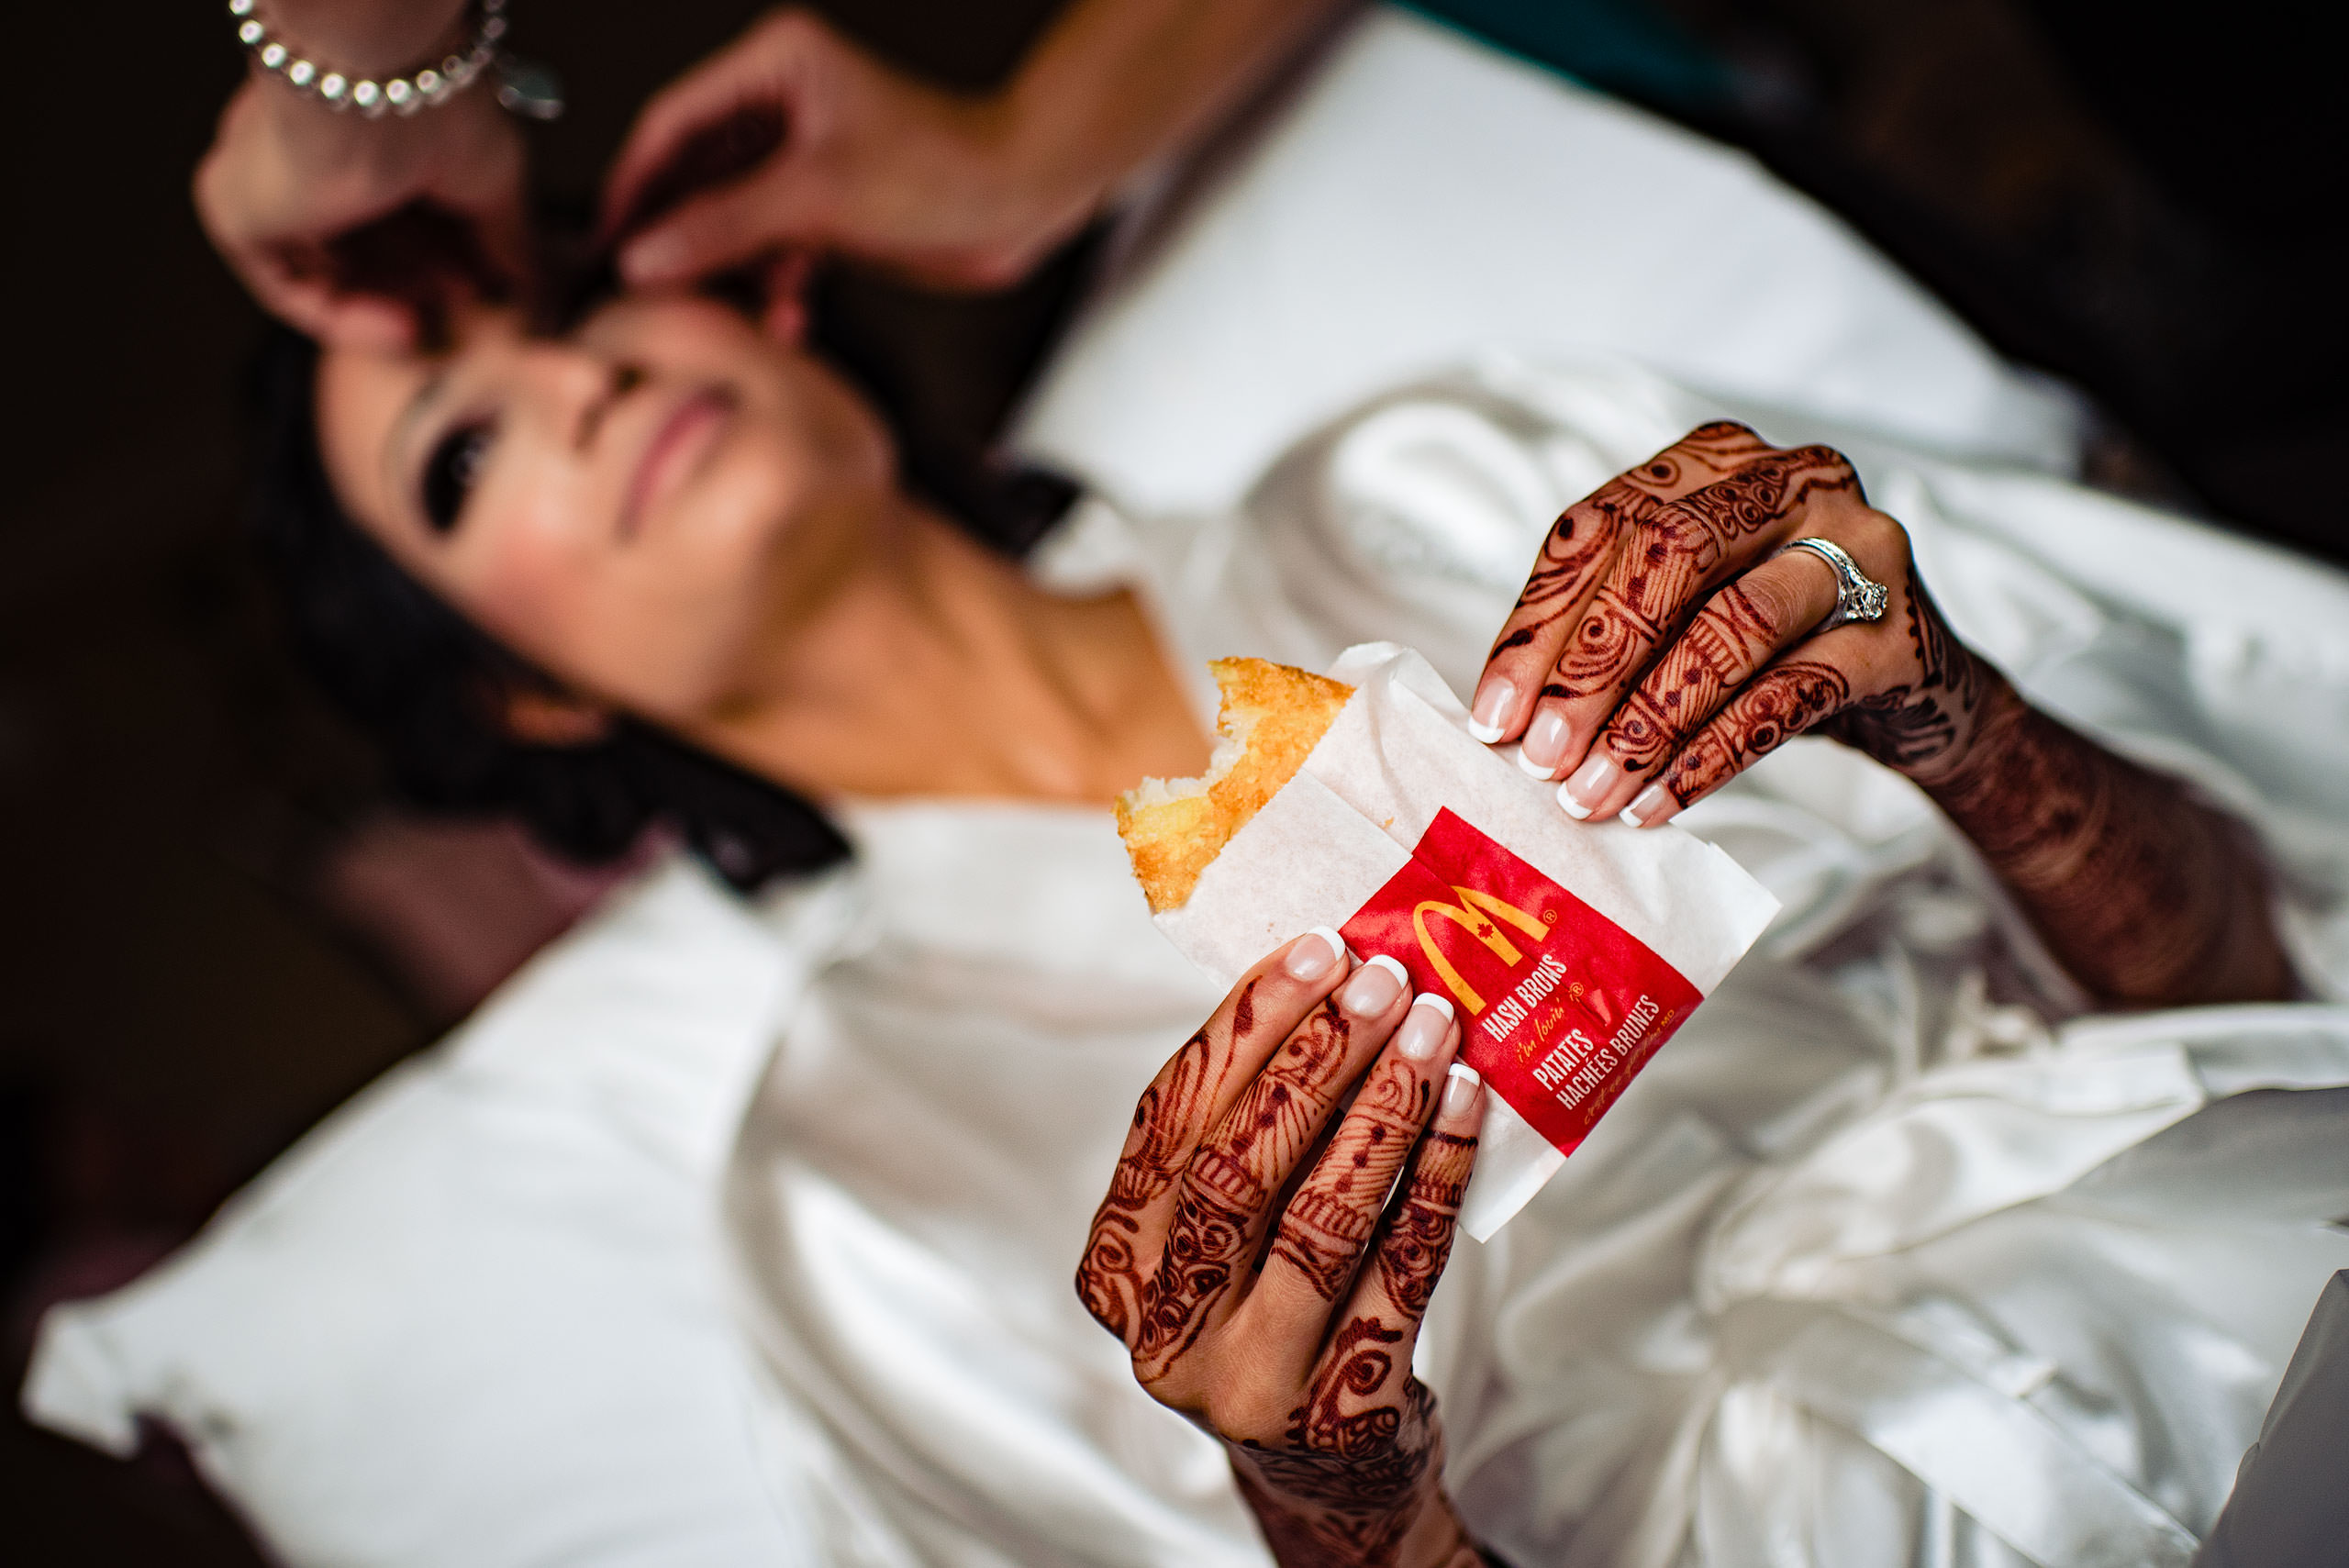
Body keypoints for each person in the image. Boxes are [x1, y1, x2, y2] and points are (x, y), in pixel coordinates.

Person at [203, 4, 2322, 1563]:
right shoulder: (852, 1190)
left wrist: (1957, 720)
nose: (575, 379)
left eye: (571, 298)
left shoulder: (1446, 482)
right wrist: (1336, 1501)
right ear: (519, 705)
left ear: (756, 295)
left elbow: (2251, 959)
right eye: (463, 453)